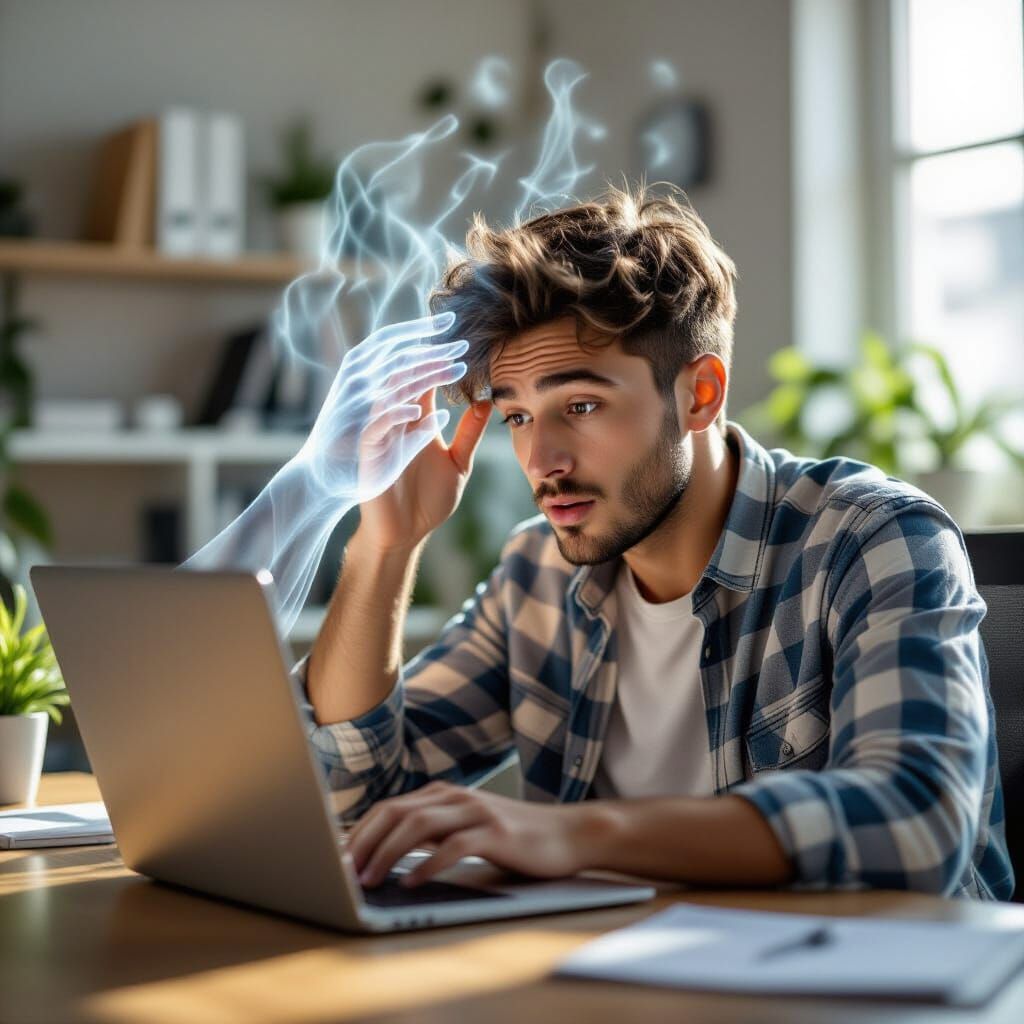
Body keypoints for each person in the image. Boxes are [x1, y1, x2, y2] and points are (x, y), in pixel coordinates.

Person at [297, 185, 1013, 900]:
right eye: (517, 417)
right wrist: (384, 548)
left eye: (580, 406)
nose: (542, 460)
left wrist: (578, 836)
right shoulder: (535, 574)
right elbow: (346, 798)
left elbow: (917, 828)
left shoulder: (870, 539)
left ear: (699, 395)